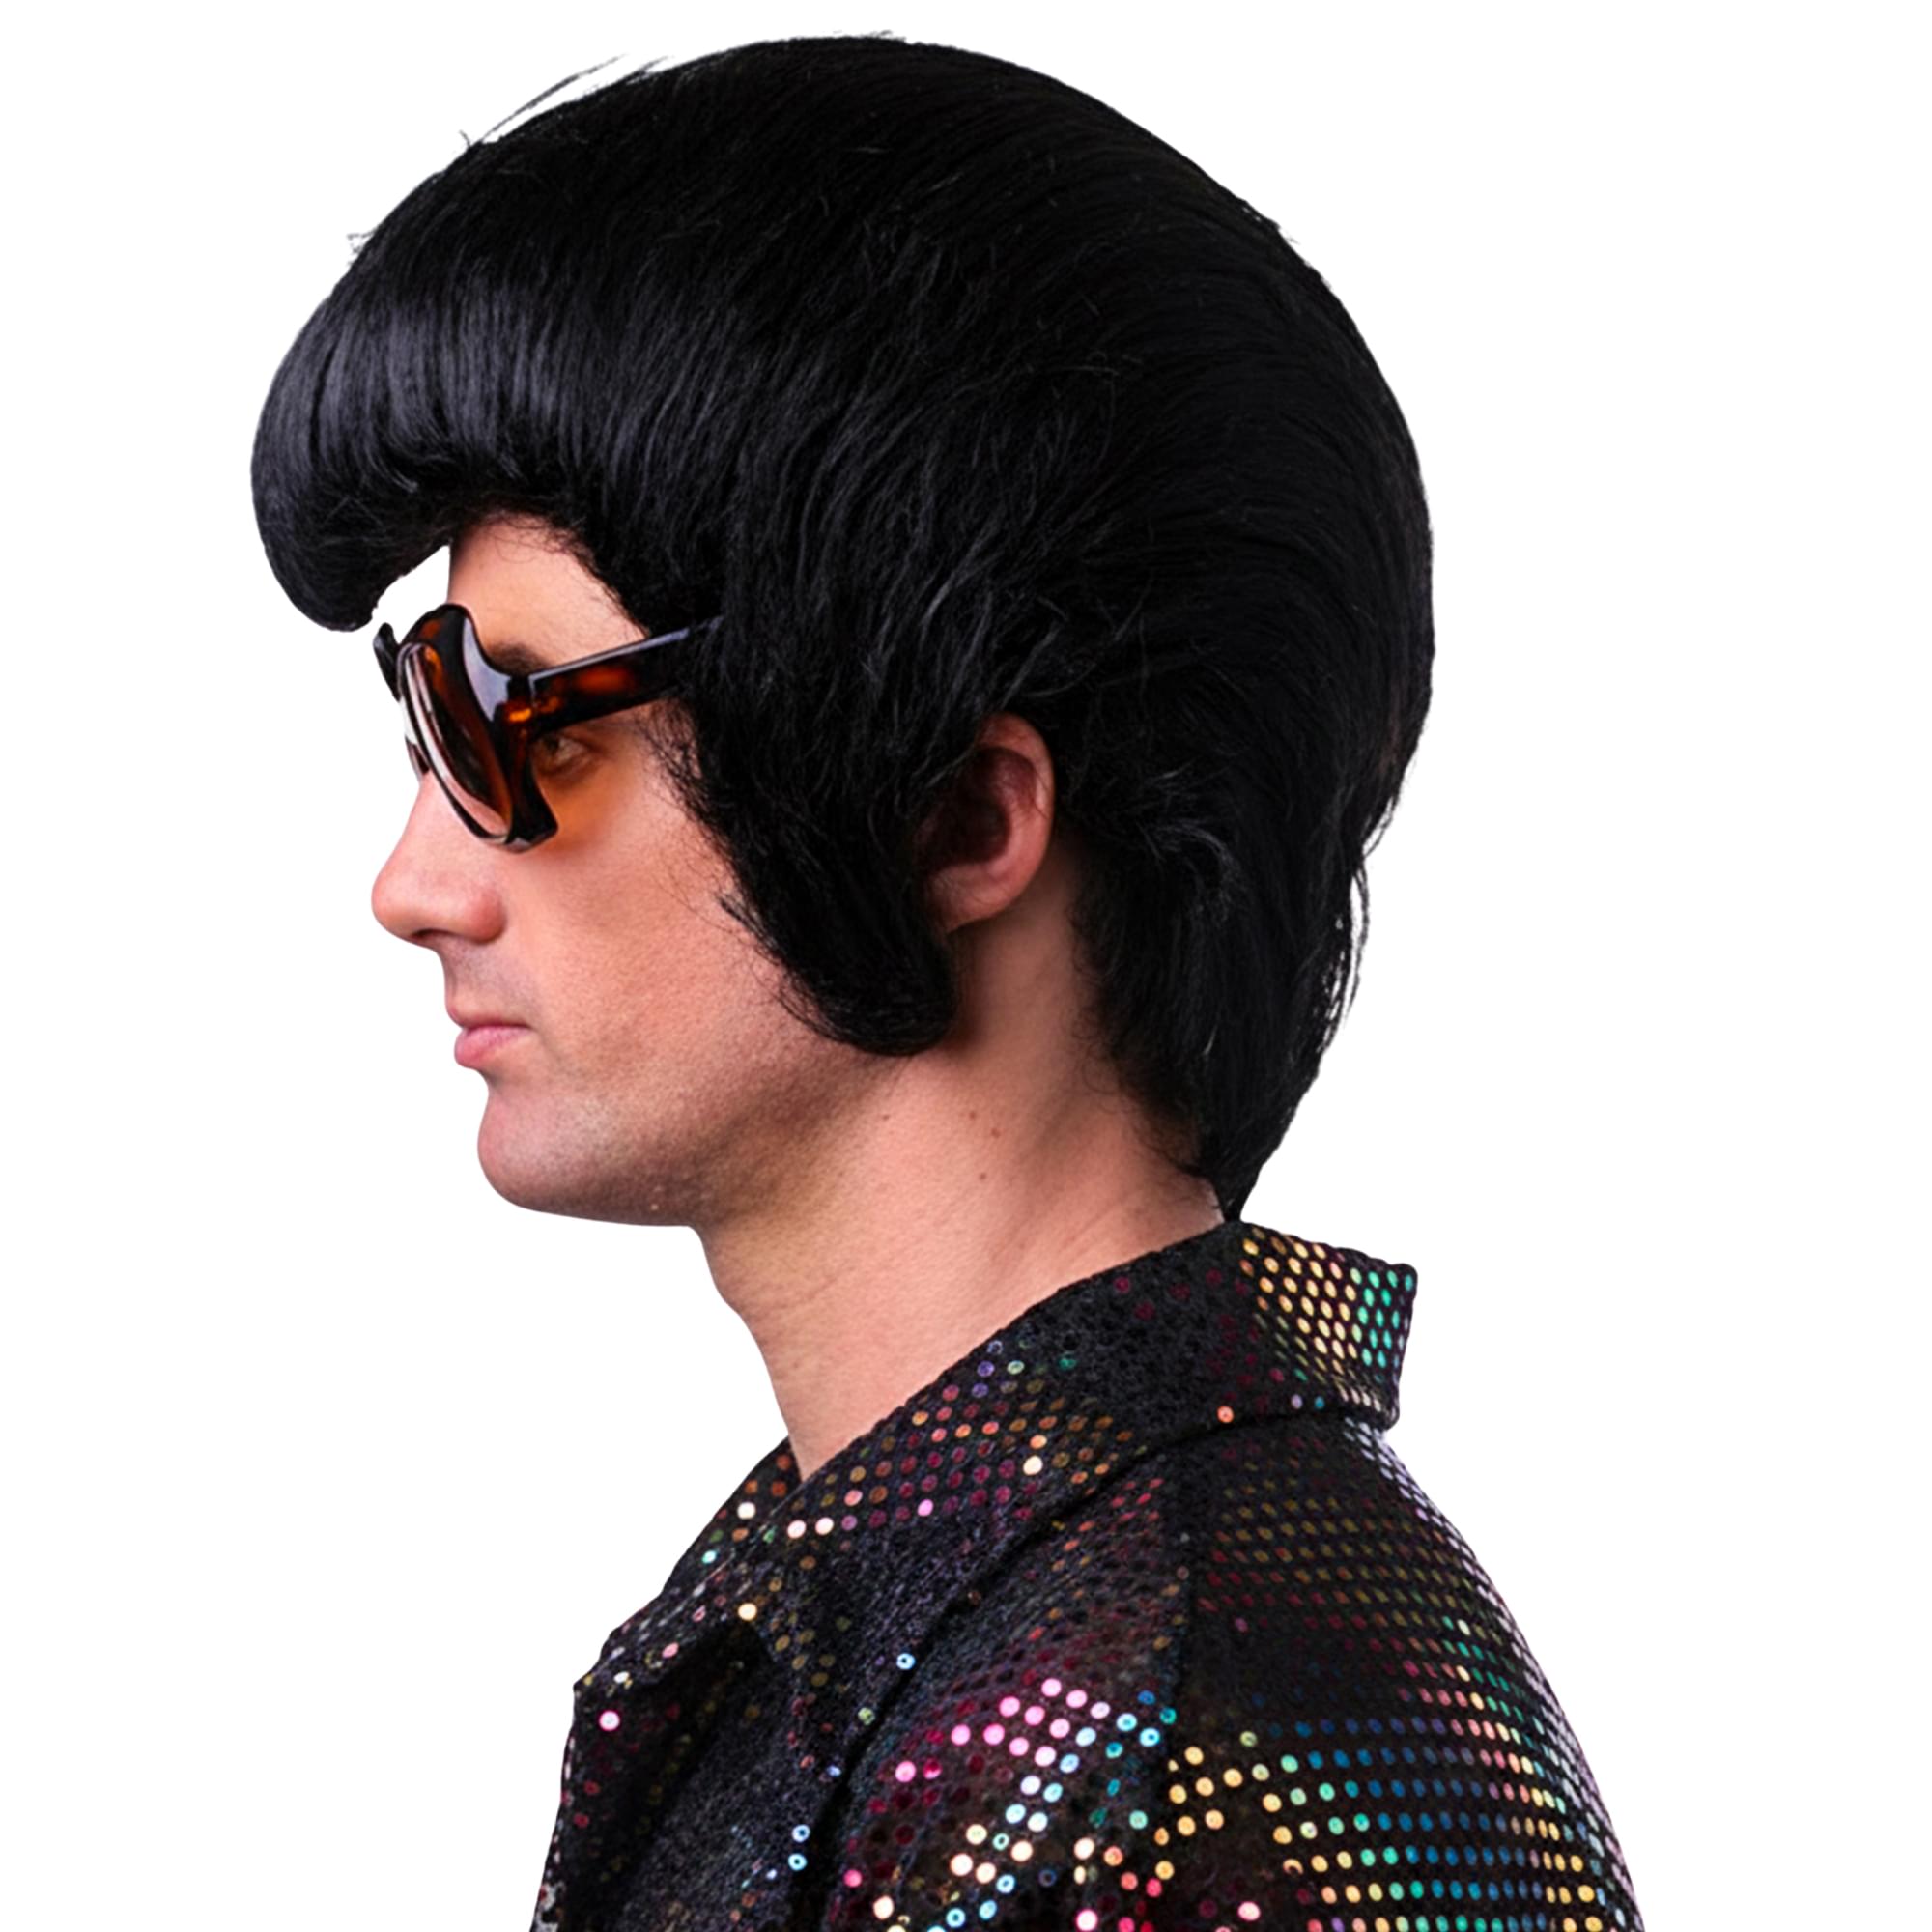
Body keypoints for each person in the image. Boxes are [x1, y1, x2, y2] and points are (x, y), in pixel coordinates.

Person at [251, 33, 1644, 1932]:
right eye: (427, 726)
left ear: (957, 817)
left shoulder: (1178, 1731)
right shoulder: (952, 1612)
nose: (411, 888)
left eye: (516, 727)